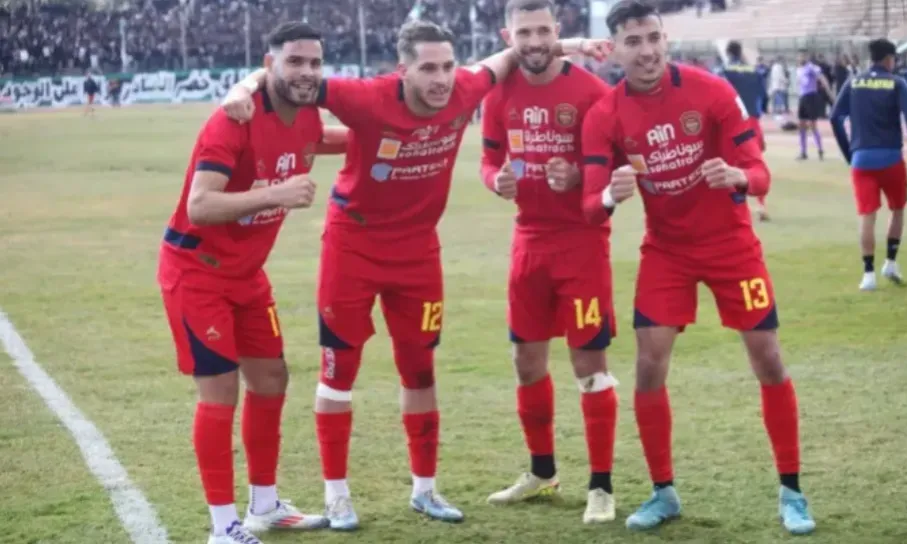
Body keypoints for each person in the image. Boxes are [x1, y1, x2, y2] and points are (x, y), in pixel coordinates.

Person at [221, 20, 609, 531]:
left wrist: (574, 45)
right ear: (402, 70)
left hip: (419, 252)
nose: (441, 79)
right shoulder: (365, 98)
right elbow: (289, 78)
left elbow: (518, 53)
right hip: (353, 246)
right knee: (339, 371)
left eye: (447, 66)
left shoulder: (466, 87)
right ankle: (337, 496)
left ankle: (425, 490)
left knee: (420, 371)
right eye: (428, 68)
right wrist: (243, 86)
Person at [579, 1, 816, 535]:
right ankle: (663, 492)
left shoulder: (711, 91)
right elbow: (590, 206)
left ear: (665, 39)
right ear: (614, 50)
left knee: (769, 359)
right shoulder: (605, 115)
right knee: (648, 366)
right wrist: (611, 196)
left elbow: (759, 172)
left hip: (731, 245)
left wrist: (739, 176)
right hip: (666, 252)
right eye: (633, 41)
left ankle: (792, 492)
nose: (647, 51)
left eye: (653, 38)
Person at [157, 22, 353, 544]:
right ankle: (223, 528)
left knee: (270, 379)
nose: (307, 72)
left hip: (247, 276)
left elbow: (331, 138)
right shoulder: (234, 118)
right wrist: (277, 194)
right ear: (270, 65)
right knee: (220, 390)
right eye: (295, 61)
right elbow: (200, 206)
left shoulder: (307, 116)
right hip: (196, 271)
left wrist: (403, 129)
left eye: (315, 63)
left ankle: (264, 505)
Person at [478, 0, 617, 524]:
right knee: (526, 360)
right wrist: (495, 180)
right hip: (528, 242)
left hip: (581, 243)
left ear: (558, 31)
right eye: (524, 32)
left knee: (589, 366)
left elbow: (618, 163)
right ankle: (542, 472)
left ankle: (601, 485)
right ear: (507, 36)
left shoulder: (591, 92)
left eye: (543, 30)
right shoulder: (498, 92)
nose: (534, 41)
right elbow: (488, 159)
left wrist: (581, 174)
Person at [830, 38, 907, 291]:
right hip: (891, 158)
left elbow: (835, 117)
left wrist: (849, 153)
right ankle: (891, 262)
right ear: (889, 59)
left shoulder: (853, 82)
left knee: (867, 215)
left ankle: (868, 275)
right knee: (897, 209)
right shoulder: (897, 83)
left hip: (861, 159)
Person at [722, 40, 770, 221]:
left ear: (728, 53)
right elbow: (763, 95)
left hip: (734, 121)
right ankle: (762, 206)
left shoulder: (725, 71)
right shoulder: (754, 71)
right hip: (753, 120)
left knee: (731, 163)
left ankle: (737, 205)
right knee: (756, 163)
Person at [796, 50, 831, 160]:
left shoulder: (811, 67)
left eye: (803, 56)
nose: (801, 58)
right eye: (800, 56)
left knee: (813, 125)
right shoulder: (799, 69)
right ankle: (803, 152)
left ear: (807, 57)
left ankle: (820, 149)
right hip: (802, 97)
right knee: (801, 125)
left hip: (811, 97)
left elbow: (821, 77)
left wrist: (828, 91)